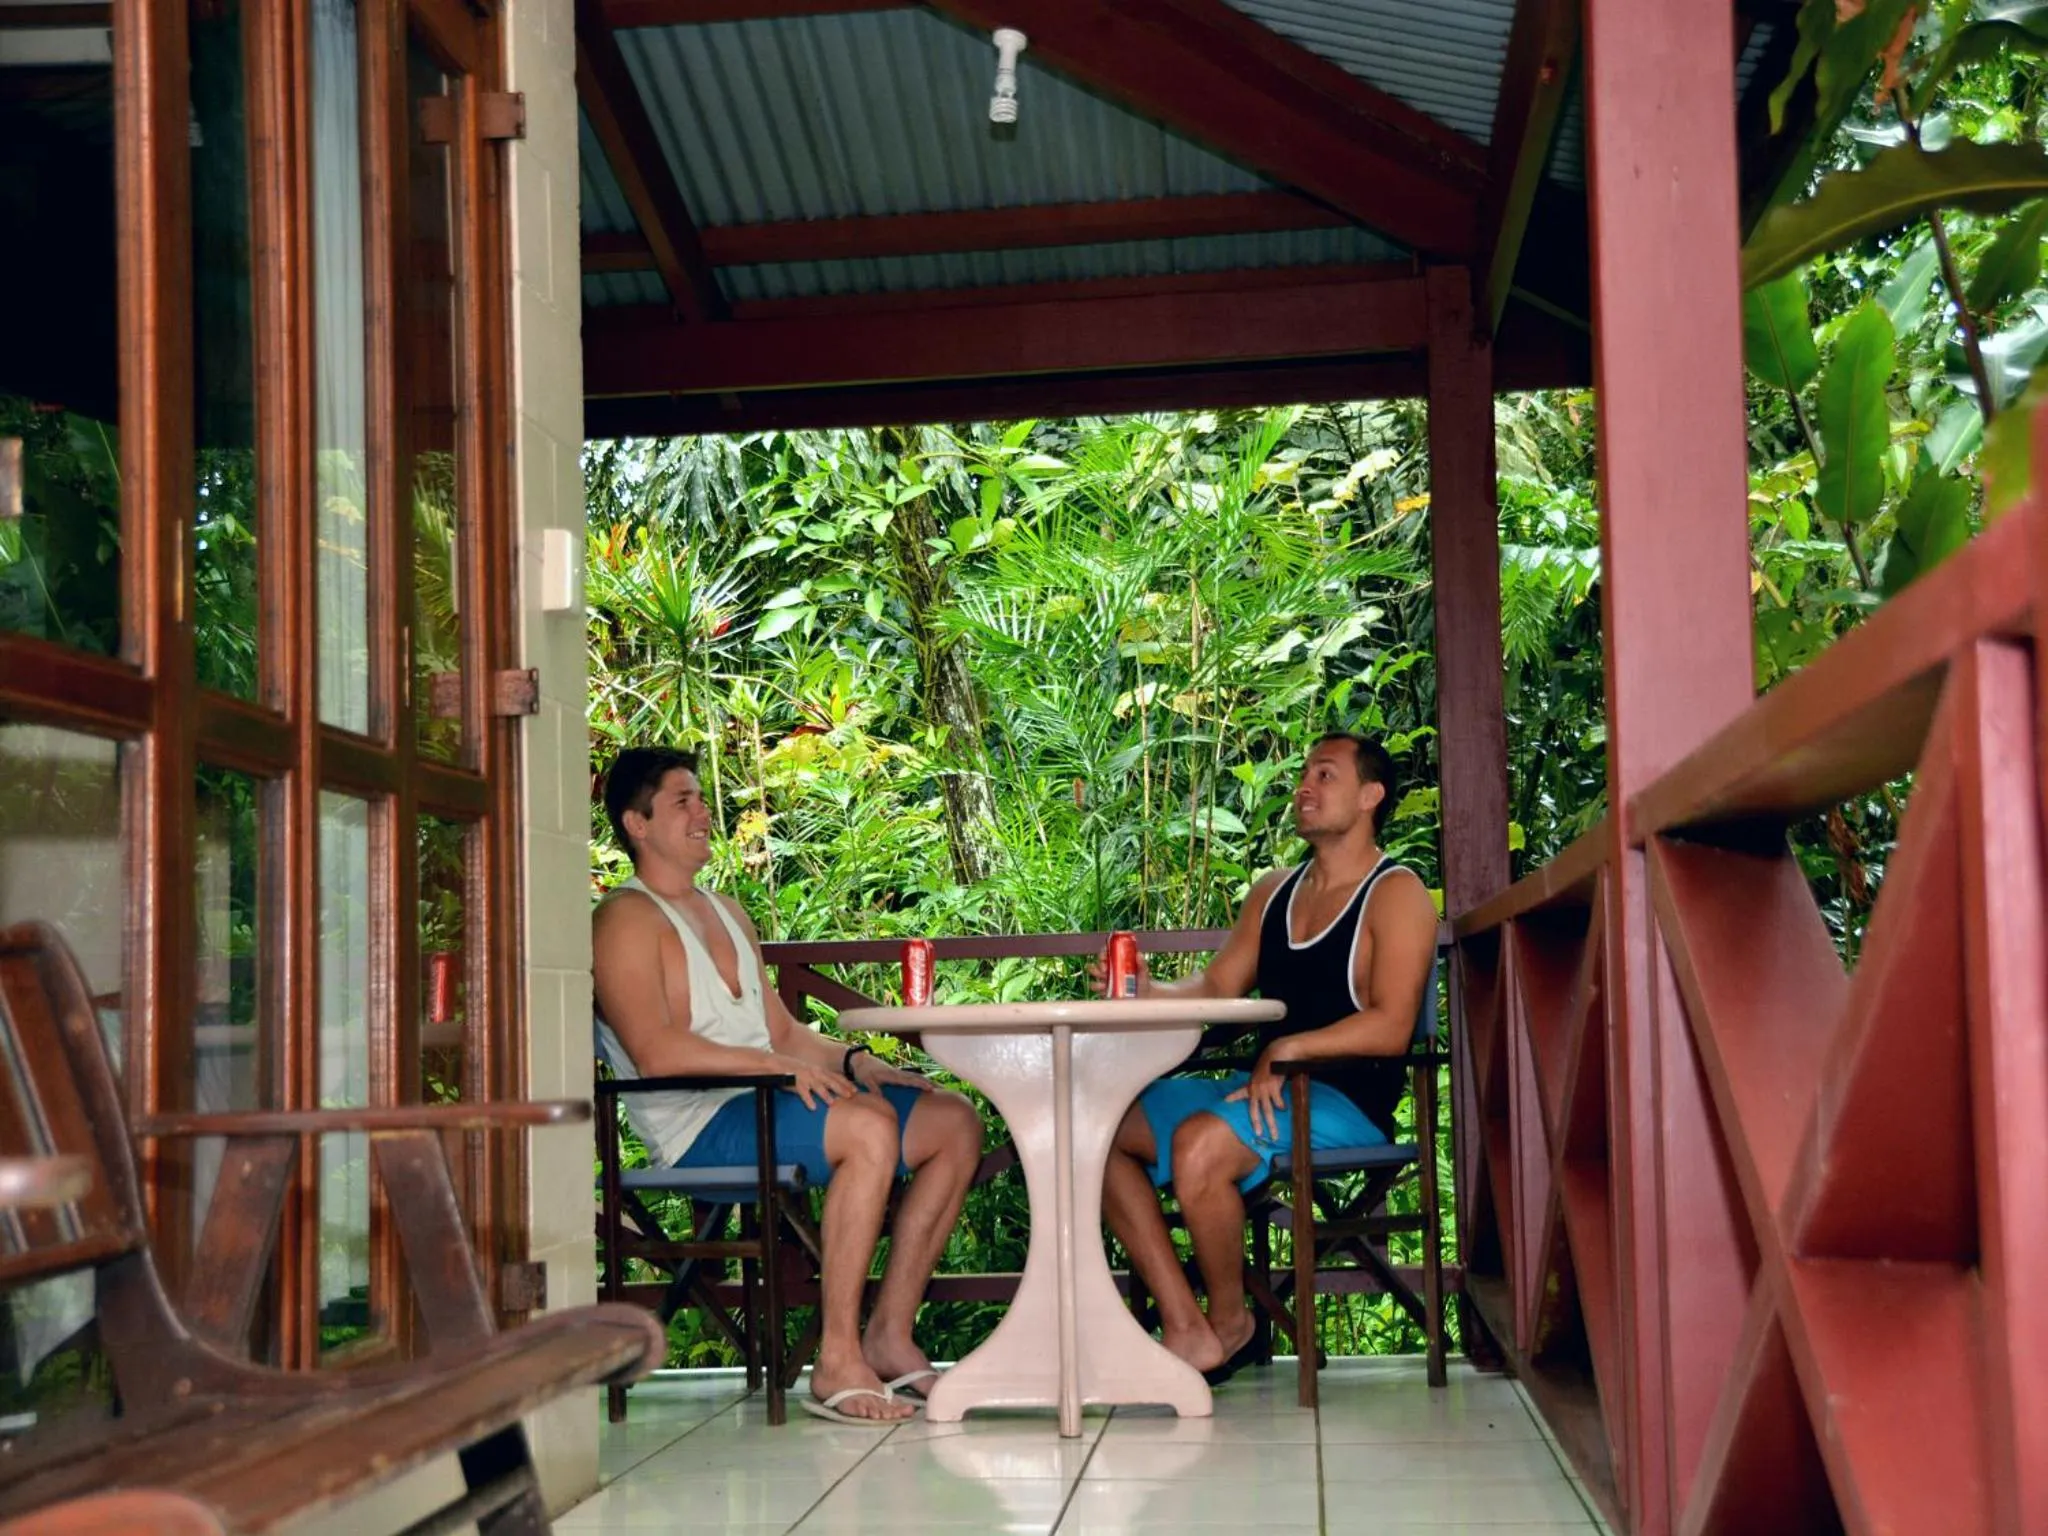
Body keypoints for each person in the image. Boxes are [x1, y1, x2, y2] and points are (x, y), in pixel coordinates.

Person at [592, 746, 984, 1424]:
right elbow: (656, 1051)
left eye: (700, 798)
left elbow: (785, 1033)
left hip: (771, 1099)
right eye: (682, 801)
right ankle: (835, 1360)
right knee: (867, 1127)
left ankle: (887, 1334)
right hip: (698, 1125)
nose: (702, 813)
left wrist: (855, 1059)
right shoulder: (625, 918)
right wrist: (783, 1070)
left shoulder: (727, 910)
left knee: (951, 1120)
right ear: (637, 822)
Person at [1092, 733, 1439, 1383]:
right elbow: (1218, 988)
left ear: (1371, 796)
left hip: (1346, 1101)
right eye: (1304, 773)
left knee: (1199, 1146)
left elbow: (1392, 1027)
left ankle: (1232, 1323)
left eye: (1326, 776)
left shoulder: (1397, 893)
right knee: (1095, 1126)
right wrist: (1149, 988)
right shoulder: (1274, 892)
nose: (1305, 786)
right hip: (1265, 1086)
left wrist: (1289, 1048)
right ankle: (1187, 1326)